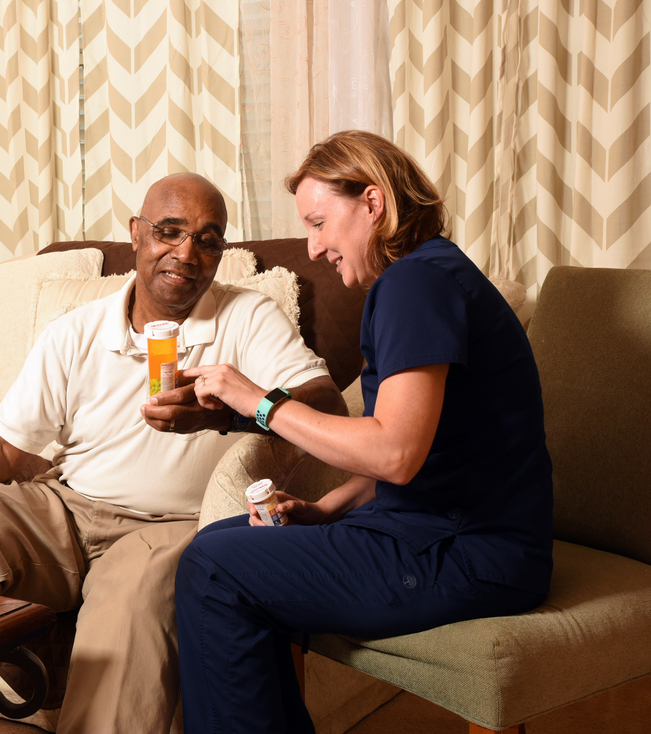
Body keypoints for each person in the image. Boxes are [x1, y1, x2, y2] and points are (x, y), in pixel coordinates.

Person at [0, 172, 345, 734]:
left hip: (171, 525)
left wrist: (227, 411)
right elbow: (9, 451)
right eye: (169, 231)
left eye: (208, 239)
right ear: (136, 233)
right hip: (66, 508)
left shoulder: (248, 316)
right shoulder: (75, 332)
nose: (186, 253)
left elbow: (327, 405)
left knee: (130, 607)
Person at [175, 131, 554, 733]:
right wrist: (326, 509)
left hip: (468, 553)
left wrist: (259, 401)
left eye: (320, 223)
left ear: (373, 204)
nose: (314, 247)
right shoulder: (429, 275)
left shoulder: (414, 285)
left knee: (215, 567)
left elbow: (396, 454)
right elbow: (428, 452)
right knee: (227, 542)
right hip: (456, 537)